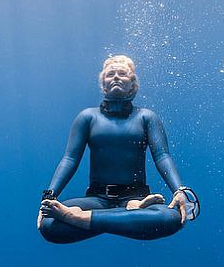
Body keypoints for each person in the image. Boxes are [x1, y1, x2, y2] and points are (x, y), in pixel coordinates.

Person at [37, 55, 200, 244]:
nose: (115, 77)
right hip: (97, 199)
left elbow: (162, 156)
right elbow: (70, 159)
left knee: (172, 219)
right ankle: (130, 213)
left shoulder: (147, 117)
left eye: (122, 73)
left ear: (133, 85)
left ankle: (80, 218)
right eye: (110, 74)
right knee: (48, 225)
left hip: (137, 195)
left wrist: (179, 191)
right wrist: (49, 197)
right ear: (103, 85)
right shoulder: (87, 117)